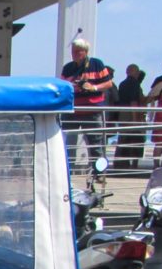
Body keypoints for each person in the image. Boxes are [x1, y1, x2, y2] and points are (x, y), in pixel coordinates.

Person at [60, 39, 113, 171]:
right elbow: (62, 86)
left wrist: (93, 87)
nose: (75, 54)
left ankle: (99, 173)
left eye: (78, 51)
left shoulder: (97, 64)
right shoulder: (68, 68)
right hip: (72, 111)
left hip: (92, 111)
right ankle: (66, 172)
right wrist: (72, 85)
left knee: (95, 144)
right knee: (66, 143)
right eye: (73, 51)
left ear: (86, 52)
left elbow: (108, 84)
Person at [114, 64, 147, 169]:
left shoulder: (122, 84)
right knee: (135, 139)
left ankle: (120, 162)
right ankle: (132, 163)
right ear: (135, 72)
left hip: (122, 113)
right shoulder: (135, 84)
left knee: (123, 138)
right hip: (130, 114)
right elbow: (133, 101)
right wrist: (135, 118)